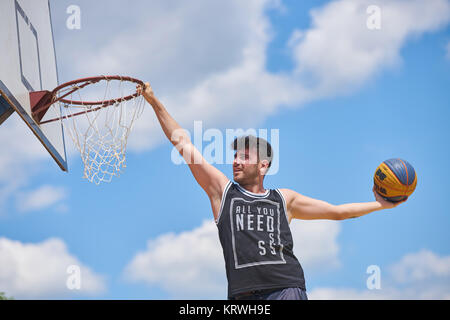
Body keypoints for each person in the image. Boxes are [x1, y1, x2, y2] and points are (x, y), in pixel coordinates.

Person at [137, 82, 406, 300]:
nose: (236, 161)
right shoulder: (223, 192)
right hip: (241, 295)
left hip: (285, 288)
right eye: (235, 156)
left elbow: (337, 212)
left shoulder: (284, 199)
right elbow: (183, 143)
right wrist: (154, 101)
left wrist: (383, 205)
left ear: (263, 165)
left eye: (244, 156)